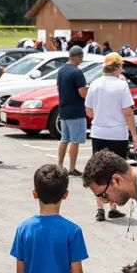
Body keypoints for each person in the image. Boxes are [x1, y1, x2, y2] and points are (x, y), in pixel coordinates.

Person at [84, 53, 137, 222]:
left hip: (99, 132)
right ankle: (113, 205)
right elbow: (128, 112)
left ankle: (100, 207)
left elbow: (89, 110)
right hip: (117, 134)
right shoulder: (121, 86)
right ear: (117, 67)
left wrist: (101, 118)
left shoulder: (95, 84)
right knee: (116, 171)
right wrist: (135, 135)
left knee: (98, 170)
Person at [56, 45, 88, 177]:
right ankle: (72, 167)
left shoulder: (61, 70)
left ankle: (59, 165)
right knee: (75, 140)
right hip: (76, 111)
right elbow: (82, 93)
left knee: (64, 139)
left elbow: (58, 88)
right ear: (78, 57)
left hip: (64, 110)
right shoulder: (77, 72)